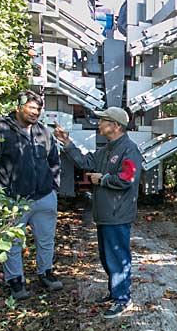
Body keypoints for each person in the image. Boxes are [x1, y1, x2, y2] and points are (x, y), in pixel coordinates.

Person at [53, 107, 142, 318]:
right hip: (104, 214)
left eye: (103, 120)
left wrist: (102, 179)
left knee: (118, 257)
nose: (99, 124)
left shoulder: (129, 150)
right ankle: (115, 292)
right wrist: (67, 142)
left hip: (117, 214)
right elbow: (85, 162)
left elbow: (127, 179)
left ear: (116, 126)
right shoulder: (107, 149)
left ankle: (123, 299)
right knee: (106, 256)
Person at [0, 89, 62, 300]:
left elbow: (54, 160)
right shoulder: (1, 129)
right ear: (19, 107)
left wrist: (53, 186)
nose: (35, 112)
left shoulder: (43, 132)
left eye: (38, 109)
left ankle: (46, 273)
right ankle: (15, 281)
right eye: (31, 108)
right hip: (14, 200)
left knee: (46, 240)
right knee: (12, 242)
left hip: (44, 197)